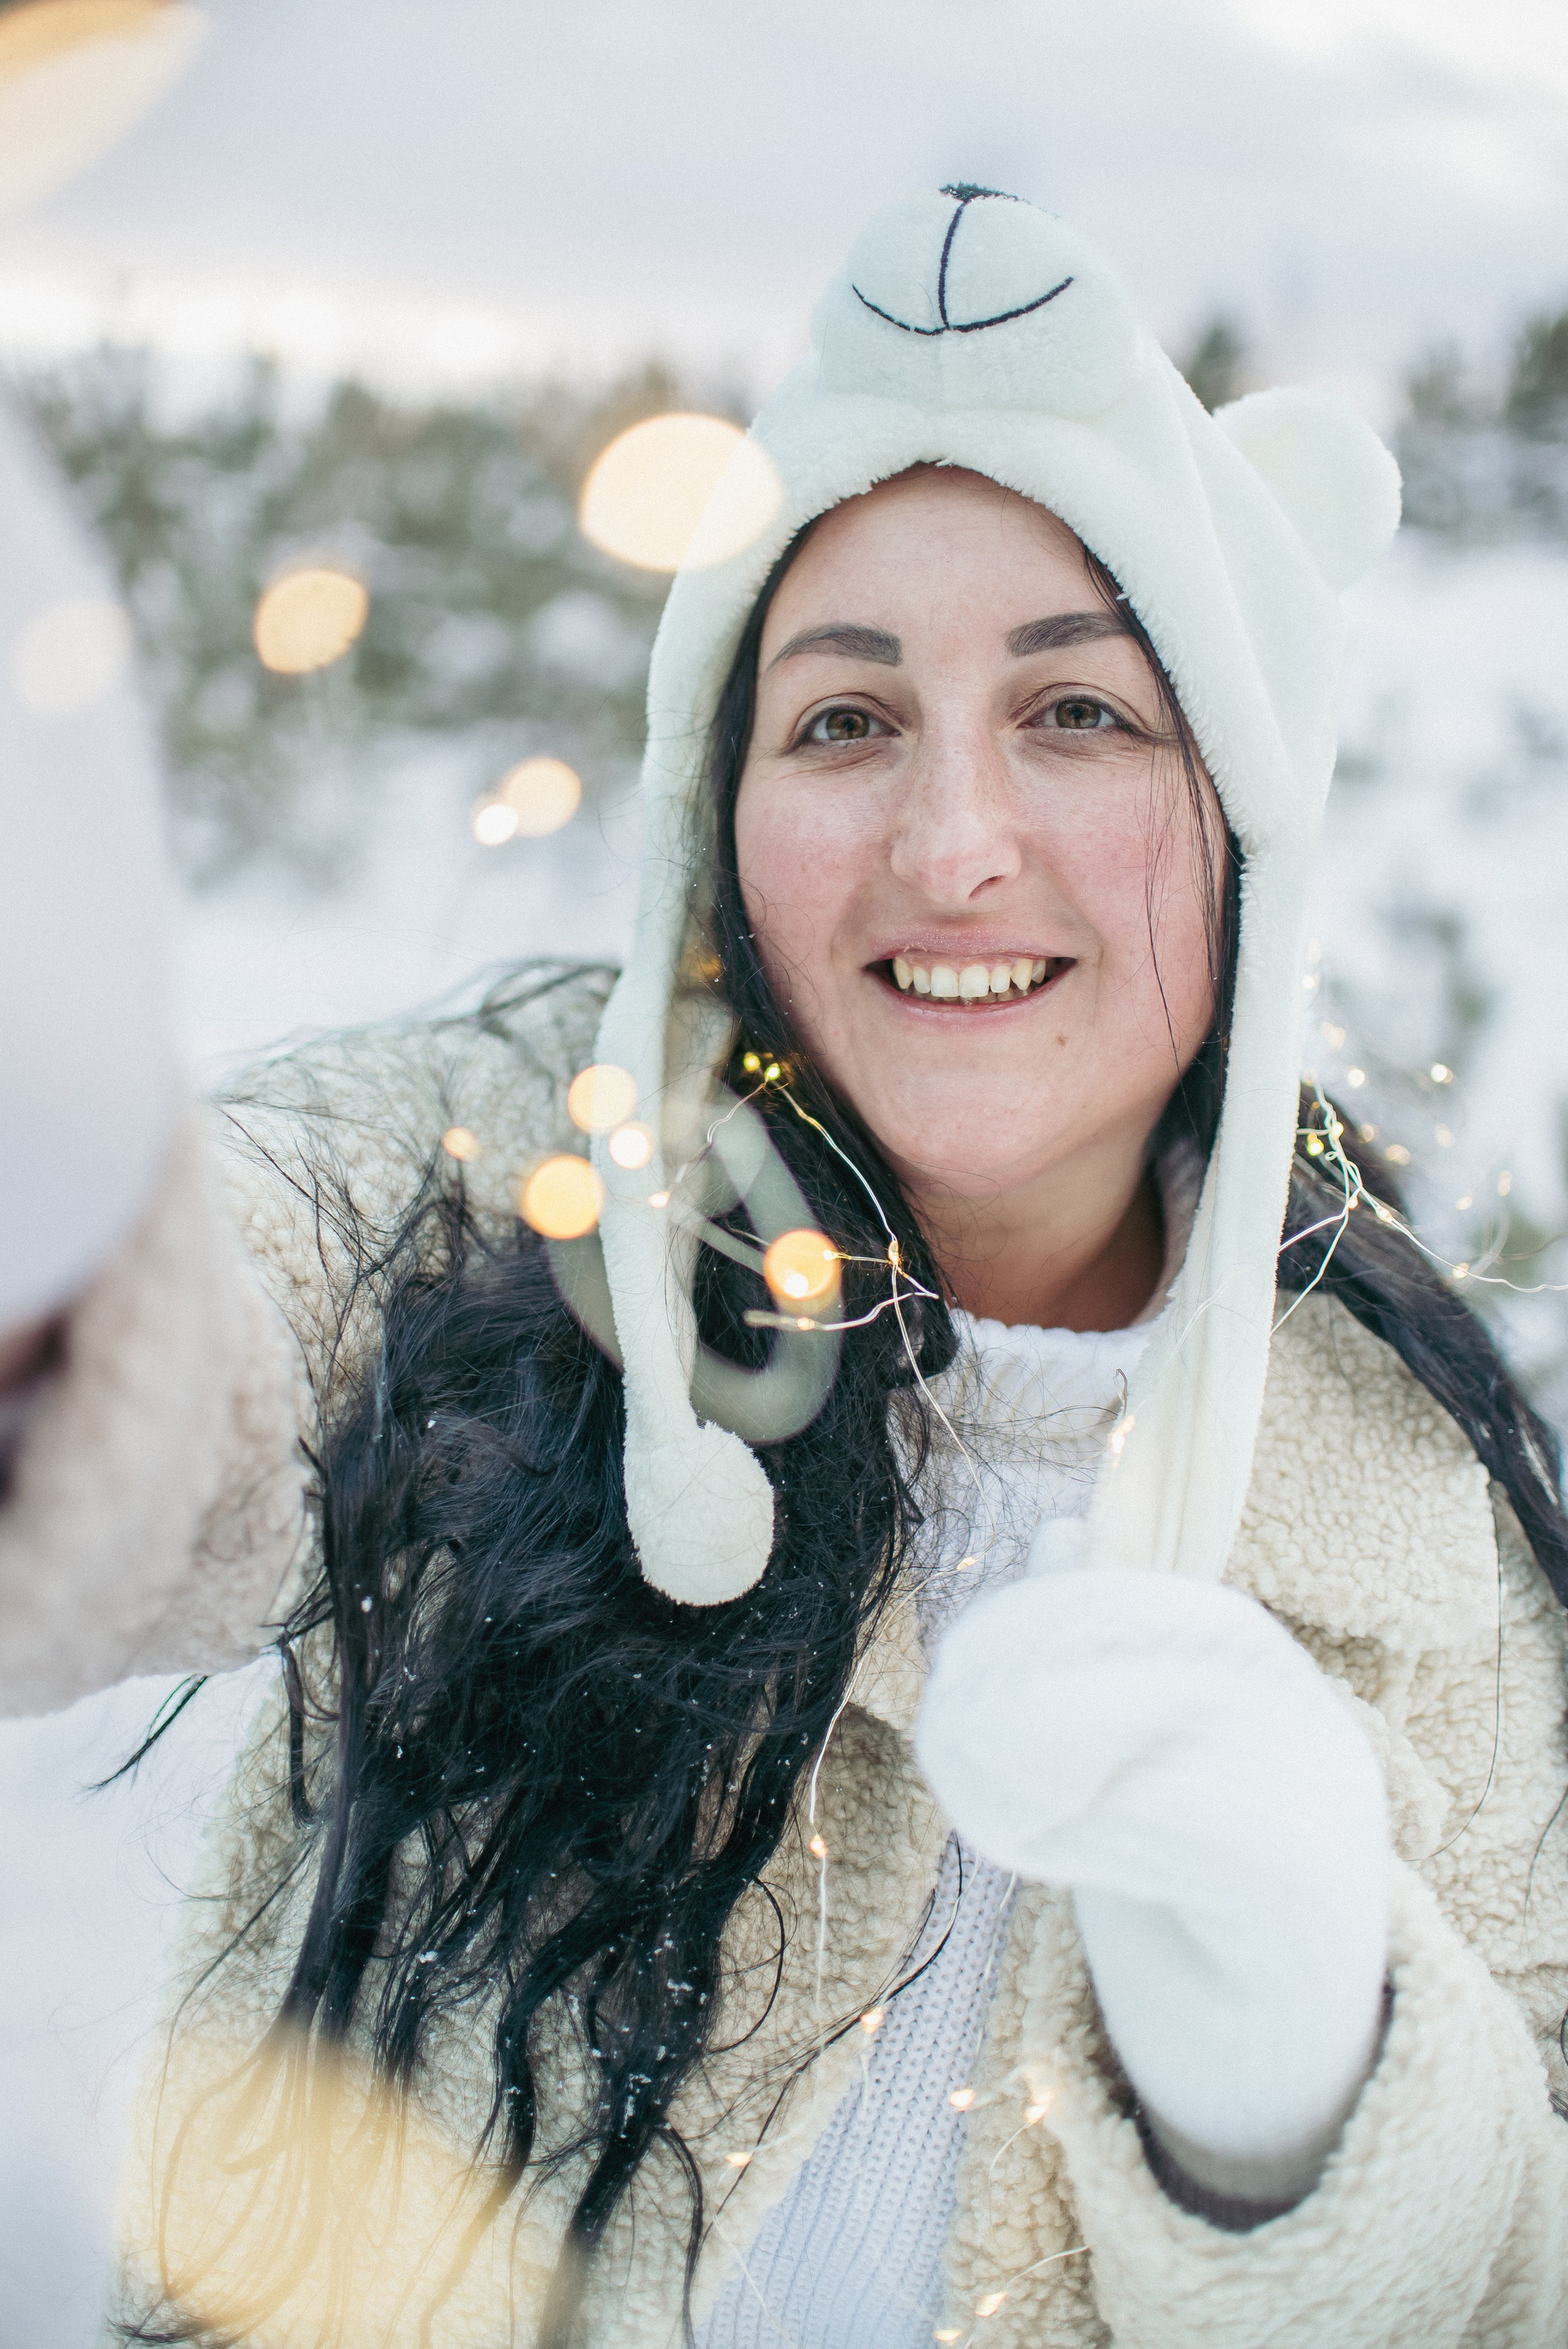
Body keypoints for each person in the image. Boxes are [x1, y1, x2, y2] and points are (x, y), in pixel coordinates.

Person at [2, 187, 1566, 2349]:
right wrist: (62, 1262)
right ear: (716, 817)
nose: (950, 845)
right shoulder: (541, 1172)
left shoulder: (1434, 1539)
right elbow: (208, 1341)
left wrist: (1311, 2082)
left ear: (1244, 810)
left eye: (1080, 714)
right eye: (843, 720)